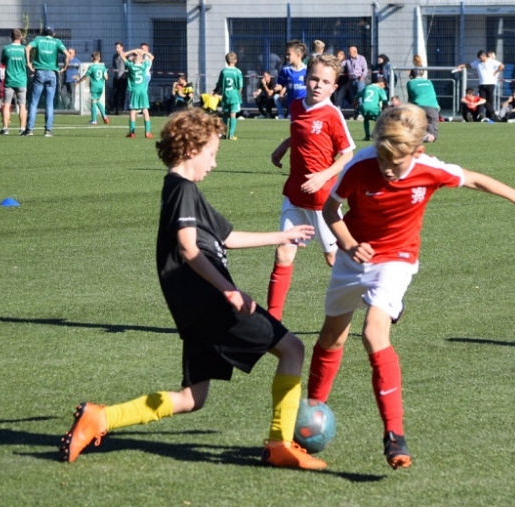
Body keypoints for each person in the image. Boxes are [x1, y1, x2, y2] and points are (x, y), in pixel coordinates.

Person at [60, 107, 324, 470]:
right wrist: (229, 291)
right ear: (190, 150)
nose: (214, 163)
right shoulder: (181, 189)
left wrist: (283, 235)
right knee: (292, 348)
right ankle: (280, 444)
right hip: (210, 302)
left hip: (195, 308)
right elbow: (188, 248)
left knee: (191, 398)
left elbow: (227, 238)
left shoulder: (187, 193)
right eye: (211, 154)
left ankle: (100, 418)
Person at [306, 104, 515, 470]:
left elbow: (473, 179)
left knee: (373, 333)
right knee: (332, 338)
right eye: (382, 159)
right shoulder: (360, 165)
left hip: (396, 258)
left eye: (396, 162)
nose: (387, 169)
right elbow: (330, 211)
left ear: (418, 151)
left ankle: (394, 434)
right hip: (354, 256)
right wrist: (349, 244)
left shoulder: (429, 169)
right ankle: (312, 413)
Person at [266, 54, 356, 322]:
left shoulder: (332, 114)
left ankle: (379, 299)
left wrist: (323, 176)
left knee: (333, 259)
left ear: (334, 87)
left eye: (325, 82)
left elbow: (348, 154)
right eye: (314, 79)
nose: (318, 85)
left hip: (321, 200)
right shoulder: (296, 105)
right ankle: (272, 321)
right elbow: (299, 132)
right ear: (305, 79)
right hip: (295, 194)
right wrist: (283, 146)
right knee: (284, 251)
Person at [24, 25, 70, 137]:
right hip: (52, 73)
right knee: (49, 103)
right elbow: (67, 54)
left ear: (43, 32)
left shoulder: (38, 40)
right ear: (53, 33)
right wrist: (65, 67)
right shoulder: (57, 42)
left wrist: (29, 63)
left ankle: (29, 129)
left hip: (39, 72)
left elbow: (27, 48)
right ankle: (48, 130)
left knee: (34, 102)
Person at [453, 50, 503, 120]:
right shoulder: (478, 62)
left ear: (484, 56)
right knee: (482, 100)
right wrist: (461, 66)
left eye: (481, 57)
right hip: (482, 84)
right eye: (479, 58)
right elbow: (469, 65)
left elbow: (501, 66)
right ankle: (483, 114)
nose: (480, 59)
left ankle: (490, 116)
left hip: (490, 84)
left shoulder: (491, 61)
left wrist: (496, 72)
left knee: (489, 101)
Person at [0, 28, 28, 135]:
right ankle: (22, 128)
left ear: (11, 36)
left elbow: (3, 62)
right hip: (21, 80)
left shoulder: (6, 49)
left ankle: (5, 128)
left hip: (9, 80)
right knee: (22, 105)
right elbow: (28, 62)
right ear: (21, 37)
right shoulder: (25, 49)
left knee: (6, 104)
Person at [121, 47, 152, 138]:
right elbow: (152, 57)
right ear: (142, 59)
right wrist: (144, 52)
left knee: (133, 110)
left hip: (135, 90)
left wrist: (132, 50)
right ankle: (147, 132)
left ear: (134, 58)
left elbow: (122, 55)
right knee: (145, 110)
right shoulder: (144, 65)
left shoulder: (131, 66)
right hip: (143, 91)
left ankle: (132, 132)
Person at [214, 52, 244, 140]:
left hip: (225, 95)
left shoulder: (223, 71)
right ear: (235, 60)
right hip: (234, 95)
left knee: (225, 115)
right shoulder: (238, 71)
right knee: (233, 115)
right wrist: (239, 94)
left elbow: (219, 84)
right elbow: (240, 85)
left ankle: (223, 134)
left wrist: (215, 91)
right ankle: (231, 135)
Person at [275, 40, 307, 120]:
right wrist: (278, 87)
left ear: (298, 55)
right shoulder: (285, 70)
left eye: (289, 54)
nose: (287, 56)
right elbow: (280, 84)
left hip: (305, 106)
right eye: (286, 54)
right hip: (292, 107)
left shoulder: (307, 70)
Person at [76, 50, 109, 125]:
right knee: (97, 101)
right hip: (101, 87)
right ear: (99, 58)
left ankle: (94, 120)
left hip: (94, 87)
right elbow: (106, 77)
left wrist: (78, 82)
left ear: (92, 58)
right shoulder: (103, 67)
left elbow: (85, 76)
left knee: (93, 102)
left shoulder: (91, 67)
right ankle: (104, 116)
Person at [405, 68, 440, 140]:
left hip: (418, 107)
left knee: (415, 125)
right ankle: (426, 137)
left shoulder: (410, 83)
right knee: (433, 134)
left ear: (411, 75)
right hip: (432, 107)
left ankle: (415, 137)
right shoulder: (429, 82)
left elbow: (410, 99)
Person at [341, 45, 369, 114]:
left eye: (349, 52)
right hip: (351, 81)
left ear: (355, 52)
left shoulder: (361, 58)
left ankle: (361, 113)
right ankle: (356, 113)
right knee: (353, 98)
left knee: (360, 97)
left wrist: (362, 77)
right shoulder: (347, 60)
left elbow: (365, 70)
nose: (348, 53)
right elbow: (340, 65)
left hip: (359, 80)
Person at [359, 76, 388, 140]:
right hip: (374, 108)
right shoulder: (379, 89)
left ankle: (367, 136)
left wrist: (355, 101)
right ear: (381, 83)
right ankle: (376, 134)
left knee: (366, 119)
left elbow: (358, 95)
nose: (384, 87)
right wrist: (386, 108)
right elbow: (385, 100)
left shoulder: (366, 87)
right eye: (384, 84)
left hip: (364, 108)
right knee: (380, 120)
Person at [109, 42, 128, 115]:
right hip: (116, 77)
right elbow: (114, 66)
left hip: (123, 77)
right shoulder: (114, 56)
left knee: (122, 93)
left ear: (122, 47)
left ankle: (121, 108)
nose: (116, 49)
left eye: (118, 47)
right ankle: (115, 108)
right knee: (115, 93)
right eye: (116, 48)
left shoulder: (125, 55)